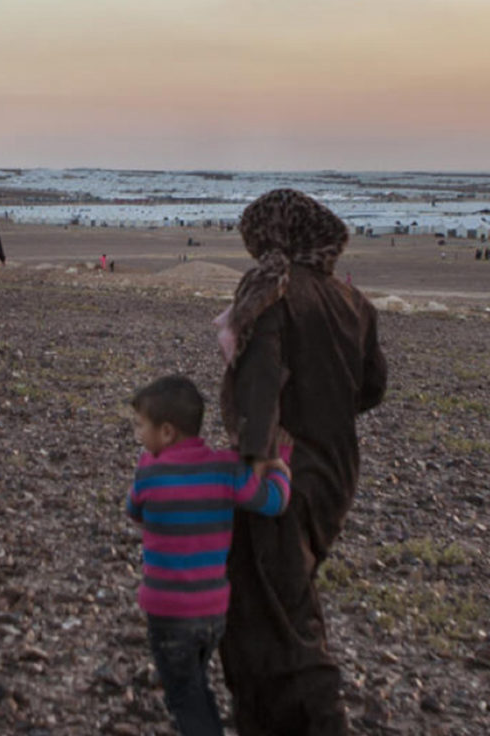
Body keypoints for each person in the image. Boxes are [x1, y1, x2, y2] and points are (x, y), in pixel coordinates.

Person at [215, 189, 387, 735]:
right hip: (337, 472)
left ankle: (318, 720)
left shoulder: (272, 287)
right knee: (283, 594)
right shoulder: (352, 301)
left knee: (276, 608)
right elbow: (373, 387)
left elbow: (262, 374)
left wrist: (258, 456)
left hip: (283, 469)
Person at [127, 375, 291, 736]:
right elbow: (273, 502)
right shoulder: (225, 469)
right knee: (196, 679)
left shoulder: (149, 472)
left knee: (185, 694)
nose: (138, 437)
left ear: (167, 432)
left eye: (141, 427)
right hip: (213, 612)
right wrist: (281, 466)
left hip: (168, 612)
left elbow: (134, 511)